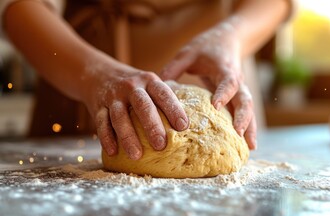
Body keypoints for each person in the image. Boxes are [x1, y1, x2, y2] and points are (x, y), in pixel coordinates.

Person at [1, 0, 292, 160]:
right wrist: (96, 76)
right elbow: (17, 6)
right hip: (78, 70)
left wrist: (232, 36)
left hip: (216, 71)